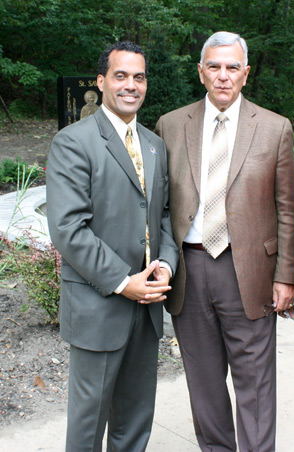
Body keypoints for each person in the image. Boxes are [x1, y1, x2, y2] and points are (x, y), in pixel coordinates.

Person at [155, 31, 294, 452]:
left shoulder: (275, 128)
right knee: (203, 383)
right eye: (214, 66)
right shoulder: (170, 125)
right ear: (201, 72)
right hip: (190, 269)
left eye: (232, 67)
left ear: (246, 73)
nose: (223, 75)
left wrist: (286, 276)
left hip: (251, 271)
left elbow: (287, 209)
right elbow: (161, 206)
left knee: (255, 382)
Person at [46, 41, 178, 451]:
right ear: (101, 81)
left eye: (138, 77)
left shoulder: (155, 144)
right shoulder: (73, 142)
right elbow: (68, 228)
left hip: (148, 305)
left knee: (136, 420)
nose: (130, 85)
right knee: (89, 426)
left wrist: (166, 266)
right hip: (99, 304)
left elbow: (164, 215)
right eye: (121, 75)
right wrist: (124, 281)